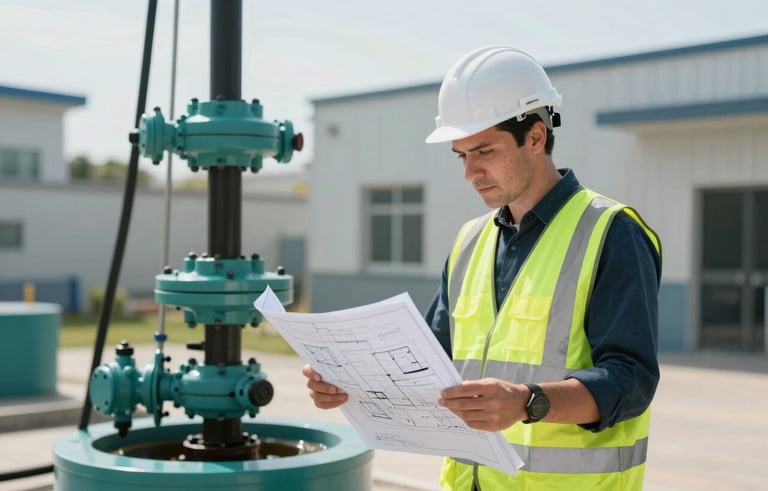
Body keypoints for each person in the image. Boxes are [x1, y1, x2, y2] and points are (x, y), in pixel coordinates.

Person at [303, 46, 662, 491]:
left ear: (534, 136)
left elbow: (631, 380)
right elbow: (428, 364)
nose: (471, 172)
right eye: (461, 155)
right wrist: (349, 384)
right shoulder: (470, 242)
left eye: (485, 151)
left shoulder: (611, 232)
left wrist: (528, 402)